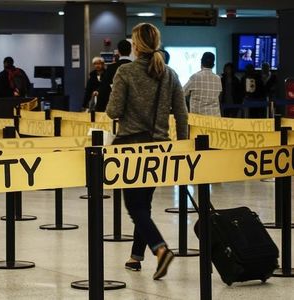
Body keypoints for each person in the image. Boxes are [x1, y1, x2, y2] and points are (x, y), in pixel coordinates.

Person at [106, 23, 188, 280]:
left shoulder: (125, 72)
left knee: (134, 206)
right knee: (144, 203)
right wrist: (182, 145)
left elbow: (113, 111)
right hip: (160, 147)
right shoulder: (170, 74)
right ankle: (136, 257)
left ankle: (160, 249)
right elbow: (182, 115)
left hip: (130, 147)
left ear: (136, 45)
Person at [96, 40, 132, 112]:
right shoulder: (135, 67)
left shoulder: (111, 68)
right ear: (130, 51)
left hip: (115, 107)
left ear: (118, 52)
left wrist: (99, 108)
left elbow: (104, 89)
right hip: (132, 108)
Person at [184, 52, 222, 116]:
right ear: (213, 65)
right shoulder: (218, 79)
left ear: (201, 63)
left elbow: (182, 92)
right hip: (215, 120)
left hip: (198, 120)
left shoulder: (195, 77)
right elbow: (219, 96)